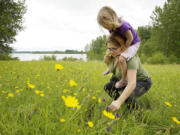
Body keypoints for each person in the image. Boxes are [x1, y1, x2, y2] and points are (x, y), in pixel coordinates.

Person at [104, 34, 152, 111]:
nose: (111, 52)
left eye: (114, 48)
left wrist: (119, 101)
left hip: (142, 81)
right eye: (109, 48)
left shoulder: (130, 59)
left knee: (128, 94)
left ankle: (137, 114)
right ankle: (123, 104)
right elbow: (115, 69)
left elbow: (132, 83)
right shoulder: (112, 56)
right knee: (108, 87)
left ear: (122, 47)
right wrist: (109, 69)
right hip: (125, 80)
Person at [97, 6, 141, 89]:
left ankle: (124, 79)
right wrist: (113, 49)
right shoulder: (111, 28)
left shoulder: (123, 26)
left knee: (121, 58)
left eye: (106, 25)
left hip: (133, 43)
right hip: (124, 42)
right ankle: (111, 69)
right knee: (110, 55)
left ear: (111, 19)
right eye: (104, 26)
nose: (107, 28)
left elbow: (130, 38)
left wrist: (124, 48)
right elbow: (115, 39)